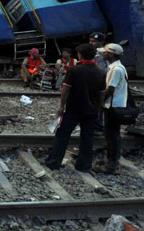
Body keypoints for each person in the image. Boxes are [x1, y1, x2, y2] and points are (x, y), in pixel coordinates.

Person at [44, 44, 106, 172]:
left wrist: (61, 106)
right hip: (91, 110)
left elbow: (66, 89)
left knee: (62, 134)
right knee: (87, 138)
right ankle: (84, 166)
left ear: (79, 55)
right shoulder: (100, 72)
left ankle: (53, 162)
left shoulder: (74, 70)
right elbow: (101, 93)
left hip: (74, 108)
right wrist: (98, 109)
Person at [99, 44, 128, 175]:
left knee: (112, 135)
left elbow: (110, 89)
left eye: (104, 52)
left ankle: (111, 164)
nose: (102, 54)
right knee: (112, 135)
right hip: (115, 105)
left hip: (112, 106)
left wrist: (99, 103)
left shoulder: (116, 69)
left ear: (110, 54)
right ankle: (111, 160)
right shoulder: (118, 67)